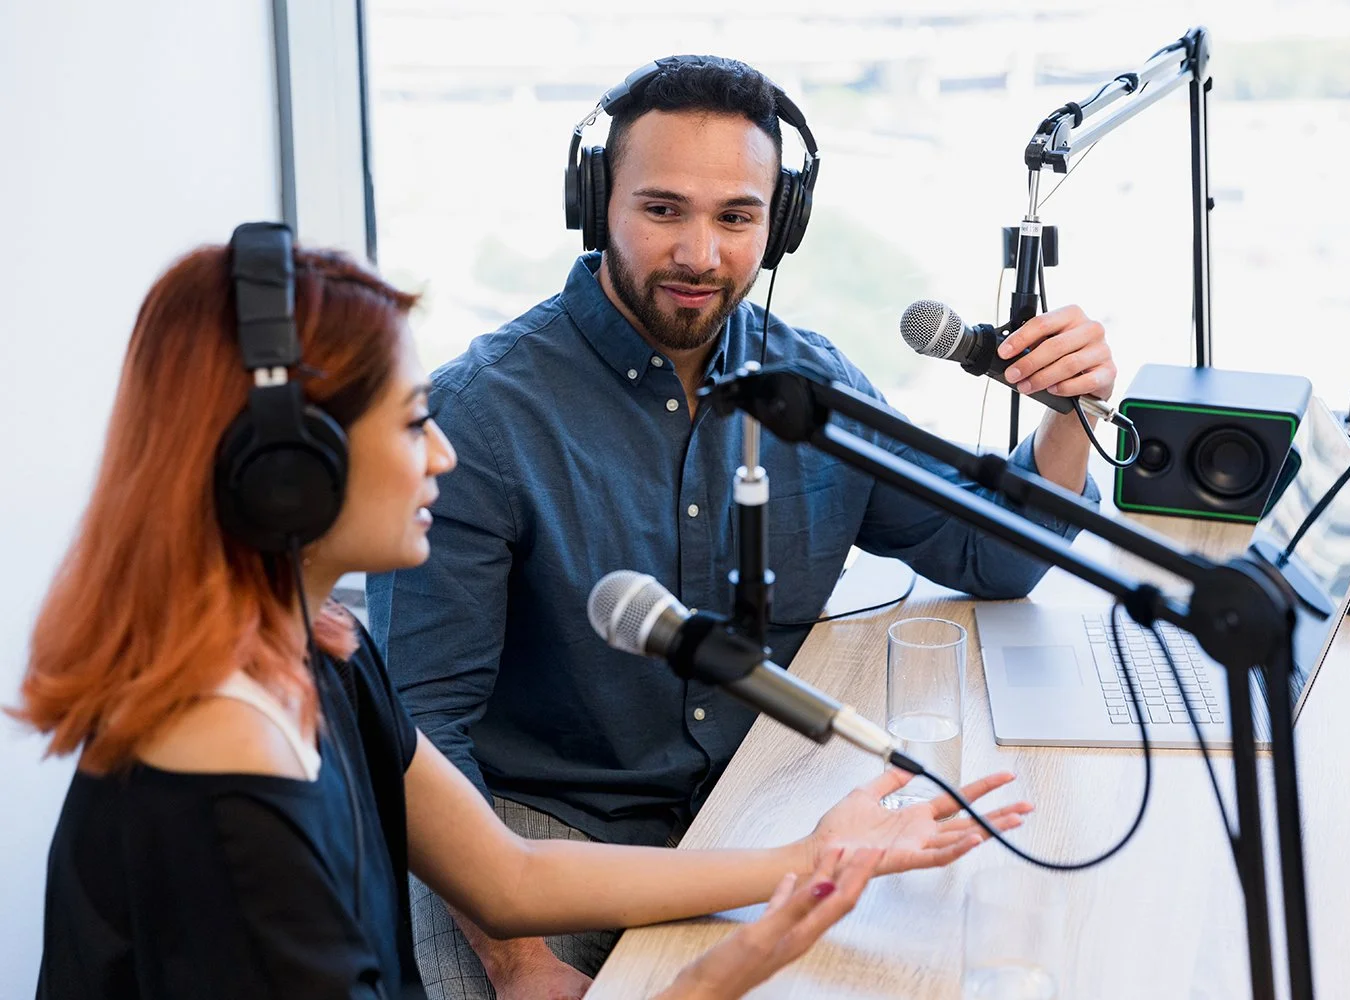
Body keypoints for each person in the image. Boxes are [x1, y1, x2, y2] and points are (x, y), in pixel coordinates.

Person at [13, 233, 1034, 999]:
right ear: (287, 474)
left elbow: (508, 875)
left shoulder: (317, 652)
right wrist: (729, 967)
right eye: (413, 425)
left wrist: (807, 861)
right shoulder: (224, 775)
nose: (443, 455)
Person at [366, 55, 1114, 996]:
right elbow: (416, 732)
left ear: (781, 224)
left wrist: (1066, 409)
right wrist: (515, 960)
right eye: (663, 209)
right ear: (598, 203)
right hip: (534, 849)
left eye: (736, 217)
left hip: (751, 821)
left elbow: (989, 555)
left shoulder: (813, 384)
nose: (700, 255)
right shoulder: (480, 416)